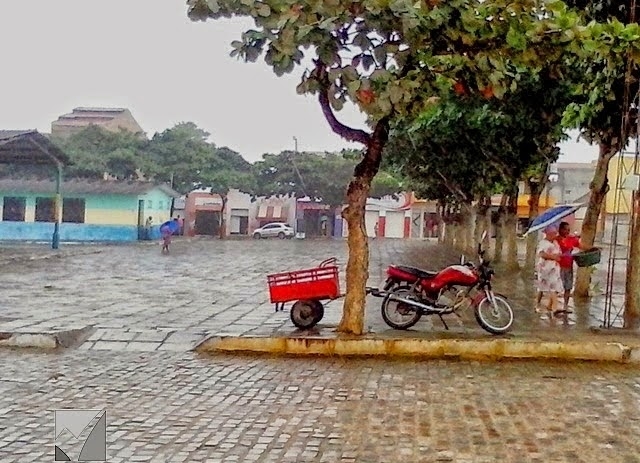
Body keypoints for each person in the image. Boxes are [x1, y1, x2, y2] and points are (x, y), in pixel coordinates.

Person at [536, 225, 564, 316]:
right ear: (548, 234)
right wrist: (552, 257)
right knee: (542, 288)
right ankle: (538, 304)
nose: (554, 235)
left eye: (555, 233)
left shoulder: (555, 242)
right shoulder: (543, 243)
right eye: (553, 233)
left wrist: (559, 257)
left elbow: (559, 252)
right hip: (545, 268)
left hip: (554, 268)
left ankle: (552, 306)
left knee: (554, 286)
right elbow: (541, 254)